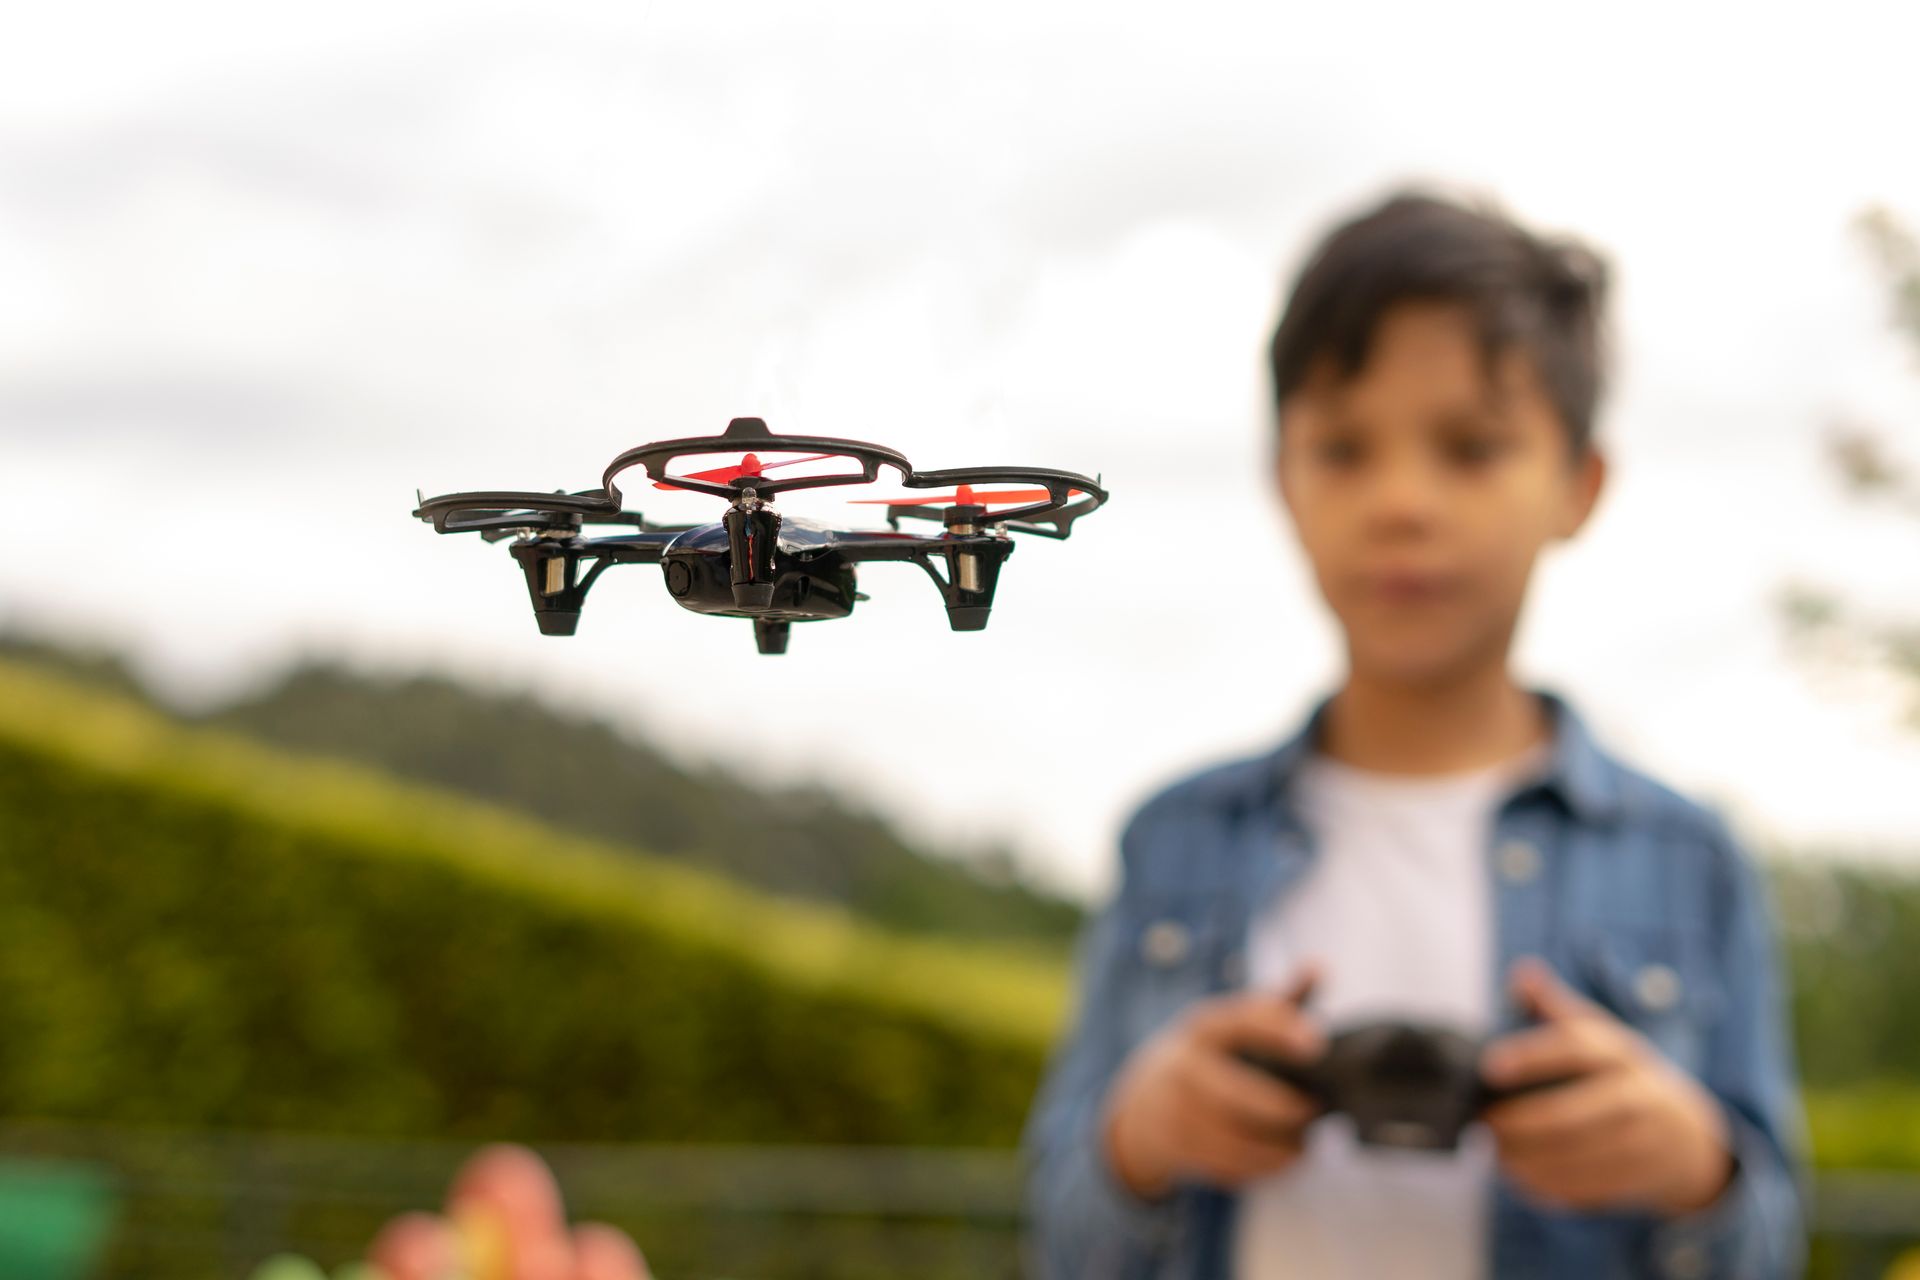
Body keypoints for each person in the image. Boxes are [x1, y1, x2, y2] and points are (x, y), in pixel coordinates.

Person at [1020, 187, 1806, 1279]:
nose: (1400, 501)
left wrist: (1693, 1168)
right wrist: (1140, 1135)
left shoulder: (1691, 859)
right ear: (1283, 481)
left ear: (1579, 485)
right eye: (1344, 448)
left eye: (1471, 448)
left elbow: (1768, 1242)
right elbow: (1063, 1235)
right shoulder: (1174, 838)